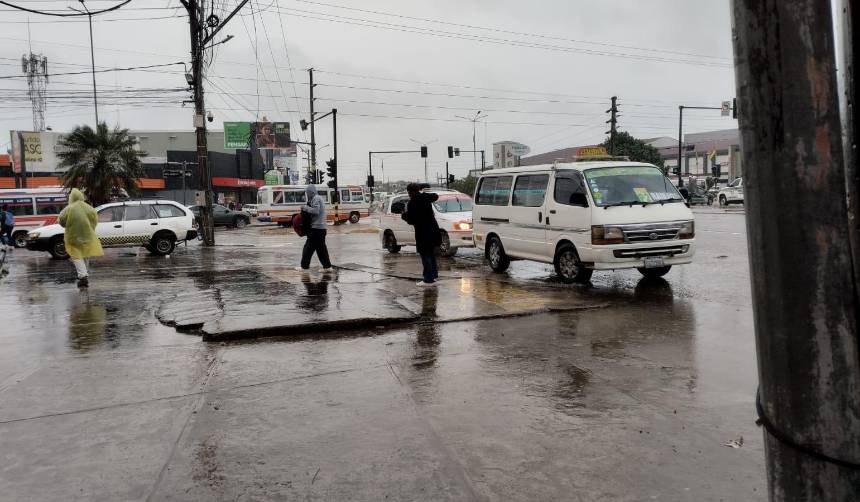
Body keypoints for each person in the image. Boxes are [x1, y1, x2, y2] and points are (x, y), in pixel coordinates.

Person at [58, 189, 103, 288]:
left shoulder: (68, 208)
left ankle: (83, 277)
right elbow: (95, 219)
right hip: (87, 235)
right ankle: (84, 275)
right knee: (86, 254)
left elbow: (61, 220)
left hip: (73, 236)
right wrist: (90, 228)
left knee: (76, 256)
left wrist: (68, 224)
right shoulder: (89, 208)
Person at [402, 183, 441, 286]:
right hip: (433, 229)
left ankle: (428, 279)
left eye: (409, 192)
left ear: (412, 191)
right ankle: (433, 275)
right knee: (431, 253)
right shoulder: (425, 197)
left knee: (425, 255)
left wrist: (404, 216)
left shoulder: (412, 203)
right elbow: (435, 196)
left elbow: (411, 220)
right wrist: (424, 192)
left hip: (423, 232)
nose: (409, 194)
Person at [298, 185, 332, 271]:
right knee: (321, 249)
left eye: (307, 193)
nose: (307, 194)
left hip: (316, 229)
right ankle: (327, 267)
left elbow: (316, 211)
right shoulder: (317, 198)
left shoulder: (316, 198)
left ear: (311, 192)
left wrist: (305, 208)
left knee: (308, 249)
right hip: (320, 229)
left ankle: (304, 267)